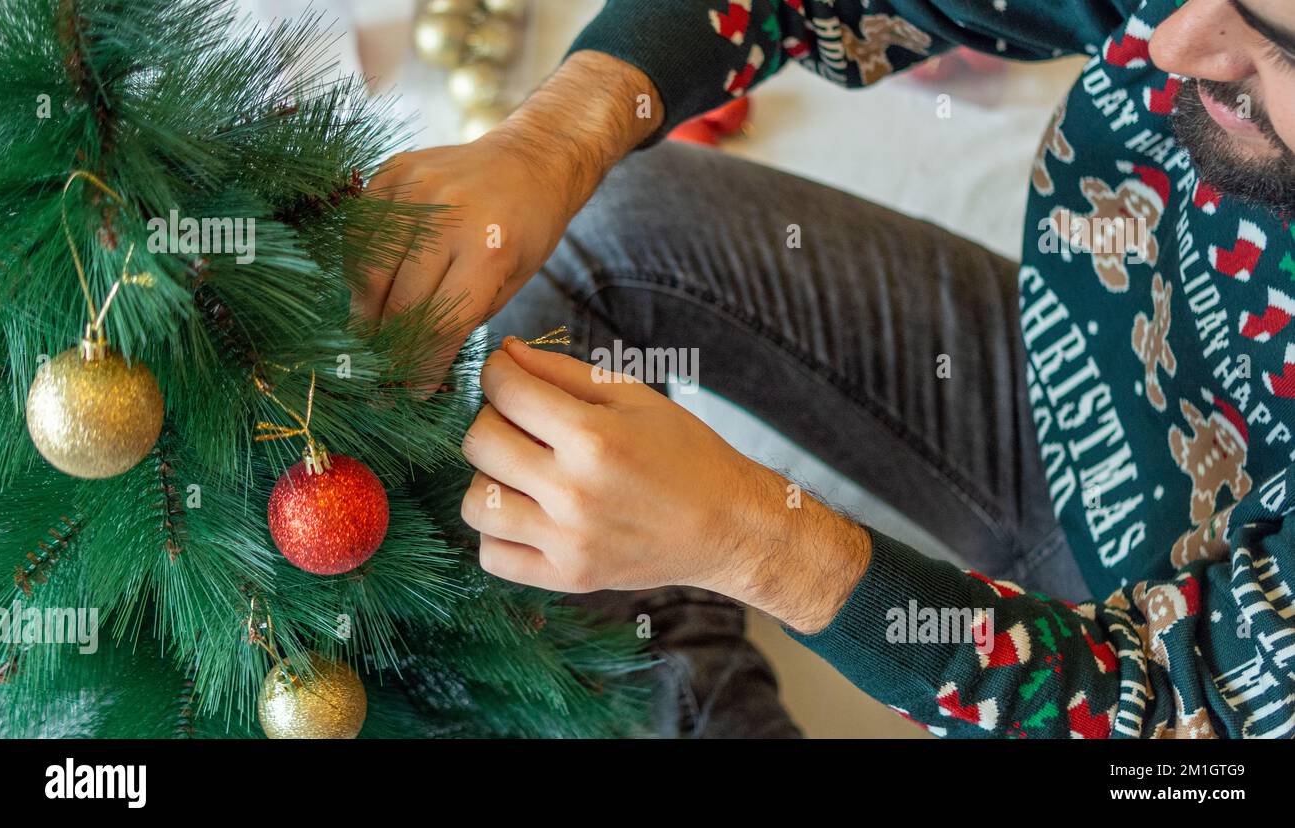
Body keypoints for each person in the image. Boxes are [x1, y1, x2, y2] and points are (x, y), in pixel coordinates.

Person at [355, 0, 1295, 738]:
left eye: (1276, 44)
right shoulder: (1205, 22)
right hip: (1100, 364)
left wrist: (761, 545)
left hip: (1172, 661)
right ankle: (656, 627)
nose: (1171, 41)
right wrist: (552, 138)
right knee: (602, 232)